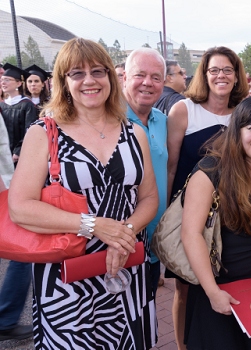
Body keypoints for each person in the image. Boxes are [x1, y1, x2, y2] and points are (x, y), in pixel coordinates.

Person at [8, 38, 159, 349]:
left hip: (126, 268)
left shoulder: (134, 133)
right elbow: (20, 208)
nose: (89, 80)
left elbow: (149, 198)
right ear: (63, 82)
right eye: (77, 73)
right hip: (68, 279)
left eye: (98, 71)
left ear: (111, 78)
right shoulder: (43, 133)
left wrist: (124, 234)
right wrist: (94, 225)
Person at [181, 95, 251, 350]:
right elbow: (191, 235)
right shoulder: (210, 170)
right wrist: (212, 292)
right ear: (237, 130)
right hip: (217, 287)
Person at [166, 46, 249, 350]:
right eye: (214, 70)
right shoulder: (184, 110)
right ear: (204, 74)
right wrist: (166, 214)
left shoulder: (243, 112)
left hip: (231, 216)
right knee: (186, 288)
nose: (221, 76)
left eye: (228, 69)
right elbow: (172, 165)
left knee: (224, 285)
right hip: (190, 214)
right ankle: (182, 345)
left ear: (237, 75)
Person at [123, 47, 168, 297]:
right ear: (125, 77)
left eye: (156, 77)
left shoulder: (162, 120)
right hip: (120, 241)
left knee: (145, 315)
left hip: (152, 244)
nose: (148, 83)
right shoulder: (109, 119)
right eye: (140, 75)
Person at [0, 114, 32, 342]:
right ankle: (6, 319)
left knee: (23, 256)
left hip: (8, 185)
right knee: (23, 256)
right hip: (6, 189)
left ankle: (6, 318)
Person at [0, 63, 38, 165]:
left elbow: (30, 131)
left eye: (7, 80)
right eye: (2, 80)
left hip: (22, 156)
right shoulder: (2, 105)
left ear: (19, 83)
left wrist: (18, 151)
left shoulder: (28, 105)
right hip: (4, 154)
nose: (3, 83)